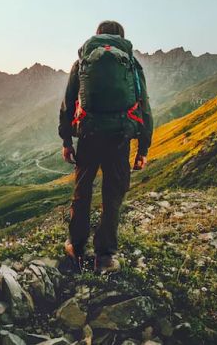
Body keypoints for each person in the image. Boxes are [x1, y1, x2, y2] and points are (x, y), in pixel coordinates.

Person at [58, 20, 153, 274]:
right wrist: (143, 149)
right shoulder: (132, 65)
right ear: (122, 37)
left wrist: (67, 141)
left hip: (89, 136)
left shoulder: (82, 63)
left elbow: (68, 104)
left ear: (97, 36)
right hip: (120, 138)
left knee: (82, 191)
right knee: (113, 195)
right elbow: (144, 106)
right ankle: (106, 256)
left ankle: (76, 247)